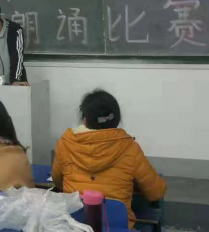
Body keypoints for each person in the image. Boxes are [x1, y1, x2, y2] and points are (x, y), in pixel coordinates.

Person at [52, 89, 166, 230]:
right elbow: (156, 192)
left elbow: (58, 181)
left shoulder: (66, 143)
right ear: (116, 119)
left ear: (85, 120)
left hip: (74, 225)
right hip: (116, 227)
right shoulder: (130, 148)